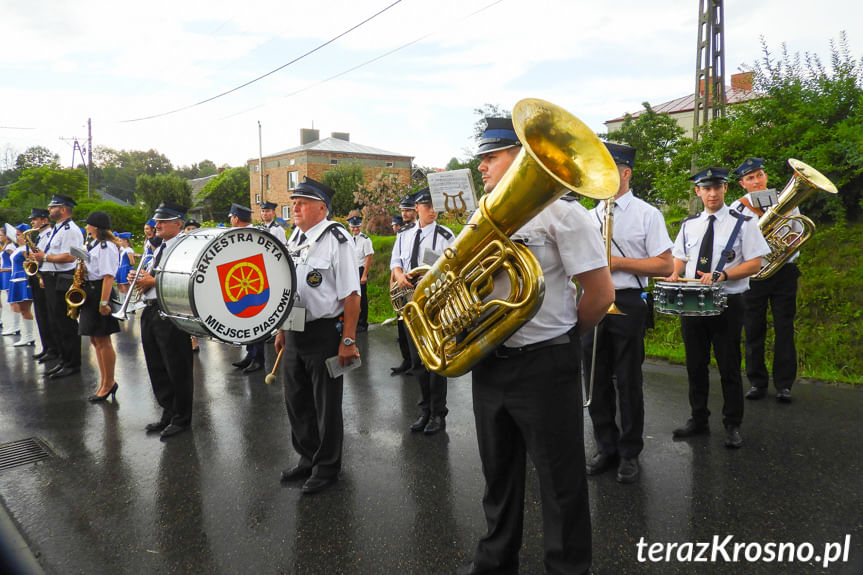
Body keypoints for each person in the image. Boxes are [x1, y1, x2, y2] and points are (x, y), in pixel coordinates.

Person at [454, 117, 614, 575]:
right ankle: (495, 561)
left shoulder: (567, 214)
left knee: (560, 480)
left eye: (491, 157)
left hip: (545, 364)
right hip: (489, 360)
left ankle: (567, 568)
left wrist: (563, 339)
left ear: (521, 158)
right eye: (481, 157)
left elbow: (601, 295)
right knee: (498, 474)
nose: (481, 167)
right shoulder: (482, 211)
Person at [582, 143, 674, 484]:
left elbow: (665, 265)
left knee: (628, 381)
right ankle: (605, 446)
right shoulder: (588, 216)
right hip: (592, 300)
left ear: (626, 172)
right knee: (594, 377)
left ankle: (629, 452)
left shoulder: (647, 214)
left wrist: (616, 262)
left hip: (628, 299)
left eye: (610, 168)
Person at [666, 167, 771, 449]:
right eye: (706, 188)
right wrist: (676, 273)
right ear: (698, 192)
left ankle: (732, 424)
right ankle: (698, 419)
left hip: (728, 302)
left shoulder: (743, 222)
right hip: (692, 300)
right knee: (695, 364)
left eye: (717, 188)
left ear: (725, 189)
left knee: (729, 365)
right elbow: (679, 257)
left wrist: (723, 275)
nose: (712, 193)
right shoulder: (689, 224)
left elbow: (755, 263)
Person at [276, 177, 360, 494]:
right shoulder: (295, 236)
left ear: (321, 208)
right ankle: (308, 457)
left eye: (303, 202)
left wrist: (348, 340)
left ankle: (327, 467)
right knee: (297, 400)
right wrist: (283, 329)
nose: (295, 206)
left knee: (326, 404)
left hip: (326, 331)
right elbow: (288, 288)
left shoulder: (337, 239)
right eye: (294, 201)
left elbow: (352, 295)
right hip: (295, 328)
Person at [731, 158, 800, 403]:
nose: (757, 180)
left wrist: (785, 249)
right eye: (750, 178)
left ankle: (784, 385)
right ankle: (757, 383)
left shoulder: (786, 200)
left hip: (783, 272)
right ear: (742, 184)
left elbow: (798, 232)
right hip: (754, 276)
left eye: (759, 175)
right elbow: (733, 244)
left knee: (784, 328)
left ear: (766, 176)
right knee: (753, 329)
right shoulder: (737, 208)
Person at [390, 188, 454, 435]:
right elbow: (396, 262)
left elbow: (454, 268)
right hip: (410, 305)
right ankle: (425, 409)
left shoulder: (446, 235)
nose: (433, 209)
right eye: (427, 205)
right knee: (417, 362)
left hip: (434, 306)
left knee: (436, 361)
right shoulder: (404, 235)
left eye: (435, 205)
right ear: (416, 208)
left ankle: (439, 414)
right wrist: (400, 276)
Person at [130, 202, 194, 439]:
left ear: (178, 224)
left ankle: (182, 418)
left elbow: (187, 279)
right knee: (157, 365)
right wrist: (140, 278)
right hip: (151, 309)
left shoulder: (184, 247)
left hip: (171, 311)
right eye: (157, 221)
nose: (156, 225)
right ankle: (168, 411)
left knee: (177, 367)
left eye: (163, 221)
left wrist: (153, 282)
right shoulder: (161, 247)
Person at [29, 194, 85, 379]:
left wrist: (44, 258)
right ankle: (64, 359)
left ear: (63, 208)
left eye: (53, 207)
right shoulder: (58, 229)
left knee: (66, 323)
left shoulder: (70, 229)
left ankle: (72, 363)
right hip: (52, 277)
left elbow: (71, 257)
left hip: (63, 278)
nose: (49, 209)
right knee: (57, 322)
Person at [78, 211, 122, 402]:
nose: (86, 227)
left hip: (99, 293)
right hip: (91, 291)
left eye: (88, 224)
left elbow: (108, 276)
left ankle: (109, 382)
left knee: (103, 341)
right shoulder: (94, 244)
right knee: (96, 340)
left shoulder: (106, 247)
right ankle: (104, 381)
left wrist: (104, 302)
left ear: (95, 227)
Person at [228, 203, 265, 373]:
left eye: (231, 217)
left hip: (255, 284)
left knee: (257, 322)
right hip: (244, 282)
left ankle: (258, 359)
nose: (231, 220)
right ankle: (250, 355)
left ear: (236, 218)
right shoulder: (240, 234)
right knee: (248, 320)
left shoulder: (255, 234)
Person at [390, 195, 418, 375]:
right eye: (402, 210)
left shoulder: (417, 231)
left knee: (418, 328)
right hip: (403, 285)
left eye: (407, 210)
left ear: (416, 210)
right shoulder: (402, 233)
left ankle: (418, 364)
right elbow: (396, 261)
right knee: (403, 327)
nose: (405, 213)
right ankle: (407, 360)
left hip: (419, 284)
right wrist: (394, 281)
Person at [28, 210, 59, 362]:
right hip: (38, 275)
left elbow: (47, 256)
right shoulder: (39, 236)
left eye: (35, 219)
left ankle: (53, 348)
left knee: (48, 314)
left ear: (44, 220)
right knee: (41, 314)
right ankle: (47, 346)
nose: (32, 222)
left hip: (45, 276)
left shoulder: (50, 235)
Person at [7, 224, 36, 347]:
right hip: (15, 279)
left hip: (22, 279)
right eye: (17, 235)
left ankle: (29, 336)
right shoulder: (19, 248)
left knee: (25, 309)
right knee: (22, 309)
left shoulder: (25, 249)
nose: (17, 237)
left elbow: (32, 263)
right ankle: (26, 336)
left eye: (19, 235)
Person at [348, 215, 374, 332]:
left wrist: (364, 275)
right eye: (353, 227)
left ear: (360, 226)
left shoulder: (365, 240)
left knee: (362, 298)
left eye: (357, 227)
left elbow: (369, 257)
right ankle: (356, 321)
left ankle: (363, 323)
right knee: (353, 298)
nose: (355, 229)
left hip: (360, 271)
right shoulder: (349, 239)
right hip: (352, 271)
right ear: (349, 227)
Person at [183, 220, 201, 352]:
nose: (190, 231)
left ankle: (194, 339)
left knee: (194, 311)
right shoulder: (180, 244)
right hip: (183, 280)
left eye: (193, 228)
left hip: (196, 282)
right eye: (188, 228)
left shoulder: (202, 244)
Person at [0, 226, 15, 336]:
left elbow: (16, 263)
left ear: (7, 236)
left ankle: (15, 326)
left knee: (12, 301)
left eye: (1, 235)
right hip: (4, 273)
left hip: (7, 273)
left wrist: (4, 269)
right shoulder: (4, 245)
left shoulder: (10, 246)